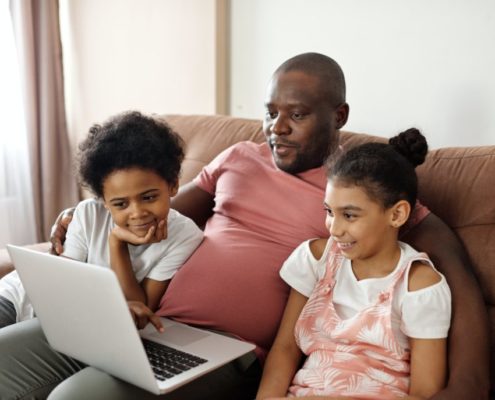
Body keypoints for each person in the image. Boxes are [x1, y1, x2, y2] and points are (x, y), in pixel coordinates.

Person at [0, 53, 489, 400]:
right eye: (271, 112)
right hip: (148, 326)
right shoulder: (238, 156)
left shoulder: (357, 187)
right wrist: (84, 212)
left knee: (77, 397)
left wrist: (468, 381)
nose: (276, 127)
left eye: (295, 115)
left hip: (229, 353)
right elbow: (156, 206)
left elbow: (454, 272)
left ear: (338, 115)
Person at [256, 128, 451, 399]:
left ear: (397, 214)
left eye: (349, 215)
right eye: (329, 212)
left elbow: (425, 392)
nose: (334, 229)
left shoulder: (418, 286)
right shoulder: (316, 260)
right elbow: (286, 348)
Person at [0, 110, 203, 330]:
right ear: (104, 202)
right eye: (120, 204)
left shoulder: (185, 236)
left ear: (173, 185)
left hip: (63, 323)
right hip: (18, 298)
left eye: (149, 197)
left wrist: (117, 242)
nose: (137, 212)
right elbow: (64, 284)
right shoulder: (89, 214)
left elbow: (138, 309)